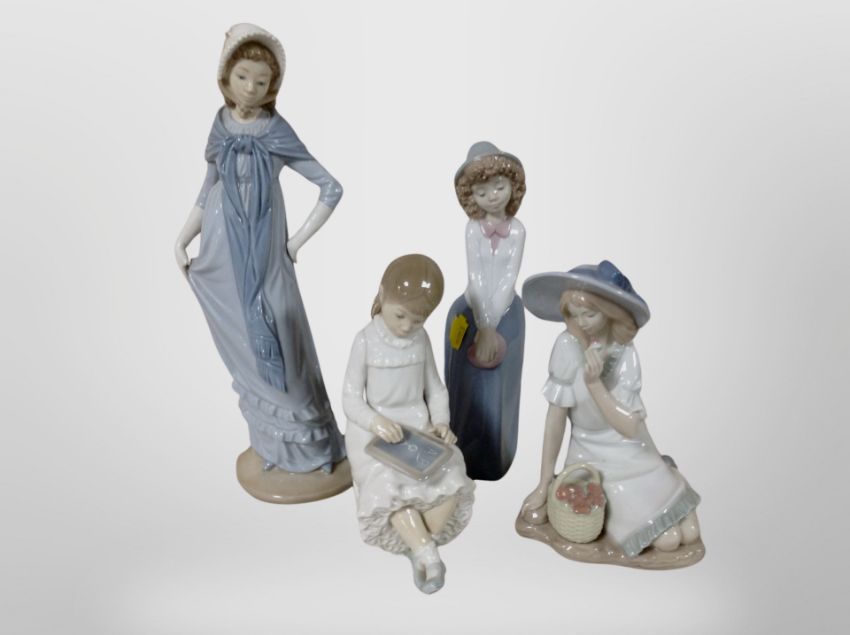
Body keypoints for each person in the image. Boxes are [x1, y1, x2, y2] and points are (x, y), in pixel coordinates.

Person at [173, 24, 347, 493]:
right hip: (221, 256)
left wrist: (295, 242)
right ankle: (272, 446)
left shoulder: (275, 130)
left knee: (284, 340)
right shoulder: (219, 124)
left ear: (273, 88)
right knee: (243, 347)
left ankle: (312, 449)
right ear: (225, 78)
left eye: (262, 81)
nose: (251, 88)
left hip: (266, 258)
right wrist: (183, 238)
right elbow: (208, 186)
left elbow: (331, 187)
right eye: (243, 77)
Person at [520, 261, 701, 558]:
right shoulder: (566, 346)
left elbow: (629, 427)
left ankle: (665, 479)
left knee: (689, 533)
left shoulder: (624, 351)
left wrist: (595, 385)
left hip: (630, 446)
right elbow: (555, 418)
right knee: (668, 540)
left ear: (609, 312)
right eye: (574, 314)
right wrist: (544, 482)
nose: (582, 323)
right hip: (588, 452)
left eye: (590, 314)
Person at [344, 255, 475, 594]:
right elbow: (350, 399)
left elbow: (435, 389)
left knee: (451, 475)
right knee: (387, 482)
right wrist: (376, 421)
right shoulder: (365, 340)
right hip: (375, 430)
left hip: (417, 425)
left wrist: (441, 422)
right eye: (400, 315)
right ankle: (428, 553)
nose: (406, 327)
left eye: (417, 320)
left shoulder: (421, 339)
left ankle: (416, 542)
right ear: (382, 295)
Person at [444, 142, 526, 480]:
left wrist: (492, 325)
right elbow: (475, 276)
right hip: (473, 307)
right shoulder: (472, 229)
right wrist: (482, 324)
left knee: (497, 387)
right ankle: (458, 446)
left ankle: (494, 451)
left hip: (505, 310)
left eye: (498, 187)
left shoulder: (517, 230)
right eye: (481, 192)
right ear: (470, 197)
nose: (492, 197)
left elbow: (508, 279)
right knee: (464, 383)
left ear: (512, 186)